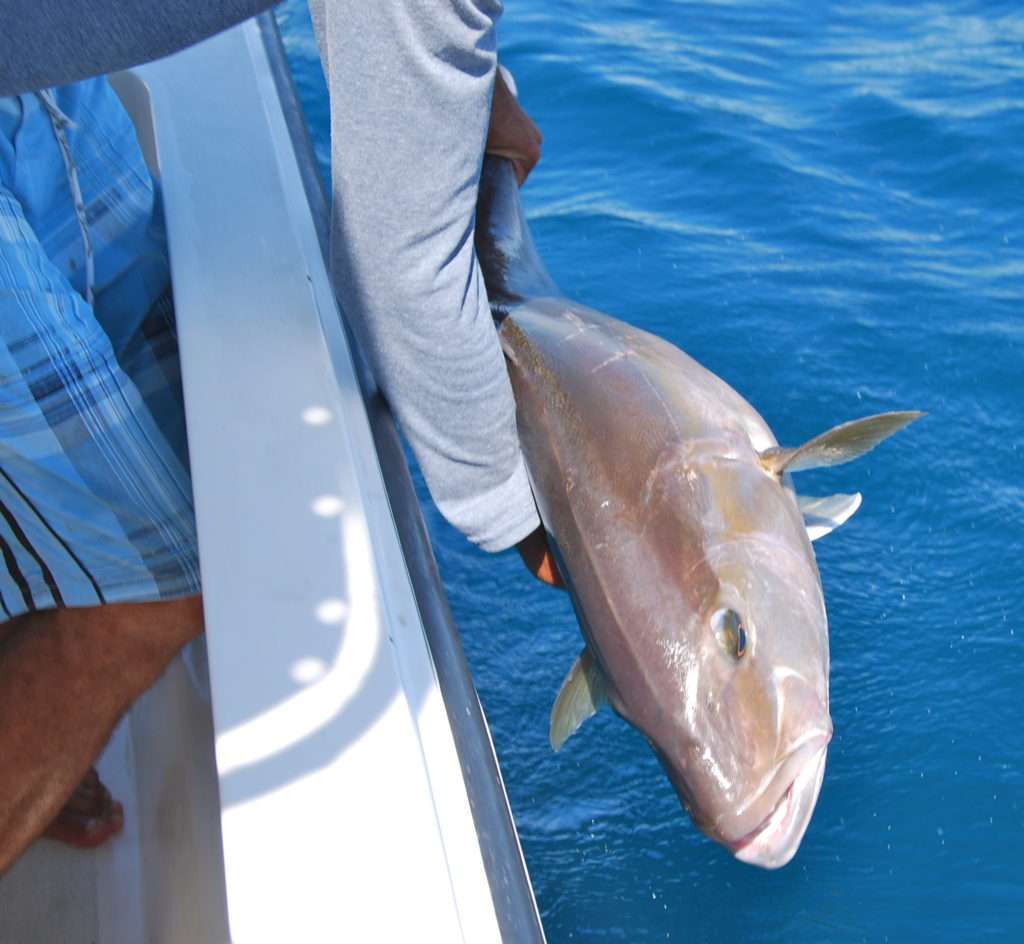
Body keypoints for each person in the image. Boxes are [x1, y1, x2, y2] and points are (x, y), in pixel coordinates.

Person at [0, 1, 558, 873]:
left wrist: (461, 83)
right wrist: (523, 512)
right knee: (143, 590)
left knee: (164, 428)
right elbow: (398, 267)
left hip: (36, 81)